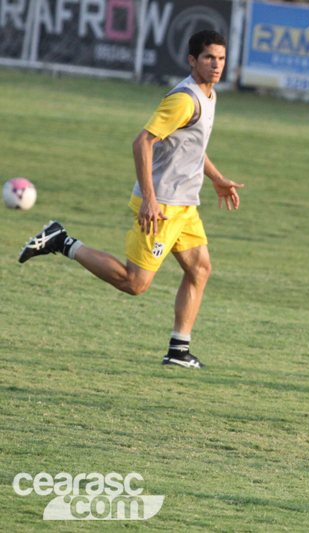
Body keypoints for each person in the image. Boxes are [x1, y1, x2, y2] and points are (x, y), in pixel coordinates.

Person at [18, 30, 243, 369]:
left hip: (185, 205)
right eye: (209, 58)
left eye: (221, 58)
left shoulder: (208, 97)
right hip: (162, 206)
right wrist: (150, 199)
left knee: (199, 269)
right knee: (134, 283)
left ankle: (178, 351)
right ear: (192, 60)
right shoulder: (184, 99)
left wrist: (217, 178)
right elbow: (143, 142)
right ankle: (62, 241)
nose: (217, 65)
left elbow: (191, 146)